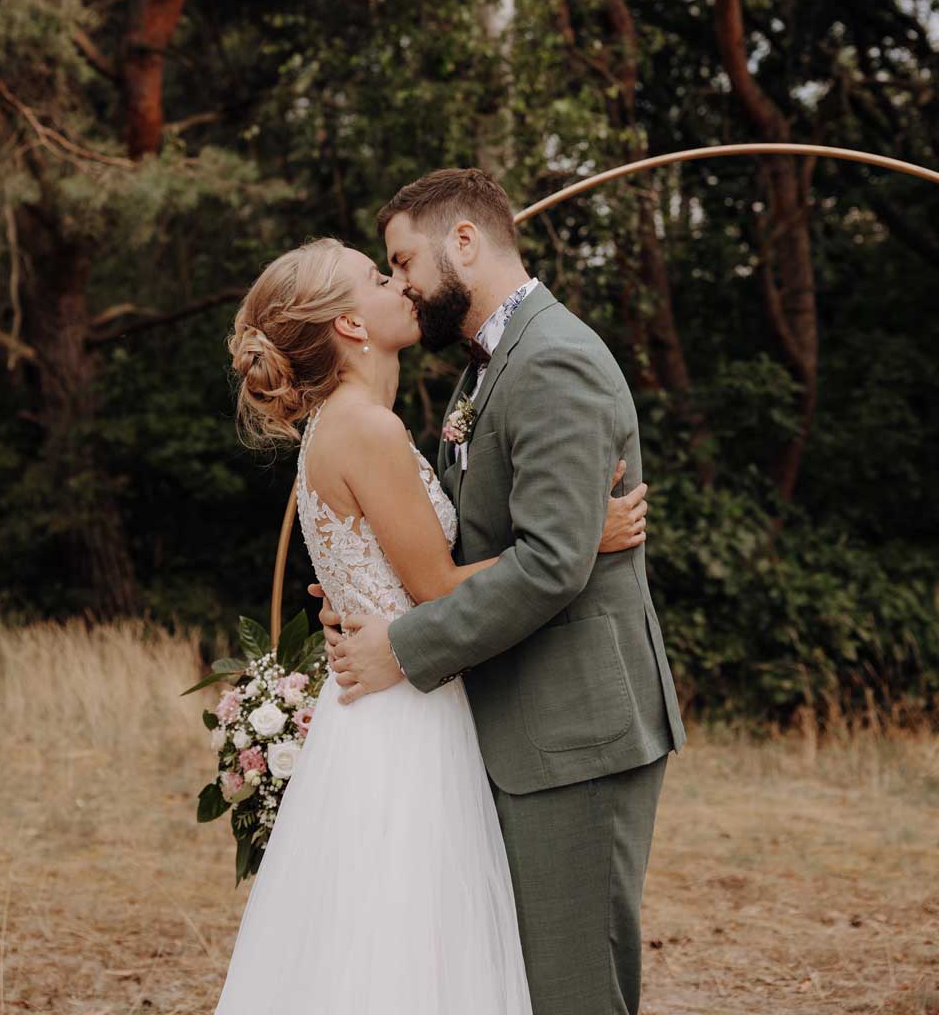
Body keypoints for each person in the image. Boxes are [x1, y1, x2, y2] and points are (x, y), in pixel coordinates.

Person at [212, 232, 648, 1015]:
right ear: (350, 324)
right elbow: (440, 586)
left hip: (386, 703)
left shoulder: (348, 424)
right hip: (406, 721)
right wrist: (584, 535)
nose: (400, 287)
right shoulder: (368, 429)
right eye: (380, 277)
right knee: (413, 945)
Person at [319, 168, 687, 1015]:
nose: (403, 283)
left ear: (463, 241)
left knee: (574, 991)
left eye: (404, 260)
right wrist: (365, 586)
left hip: (575, 733)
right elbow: (473, 542)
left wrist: (401, 651)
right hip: (521, 725)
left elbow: (554, 564)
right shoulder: (484, 367)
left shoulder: (554, 361)